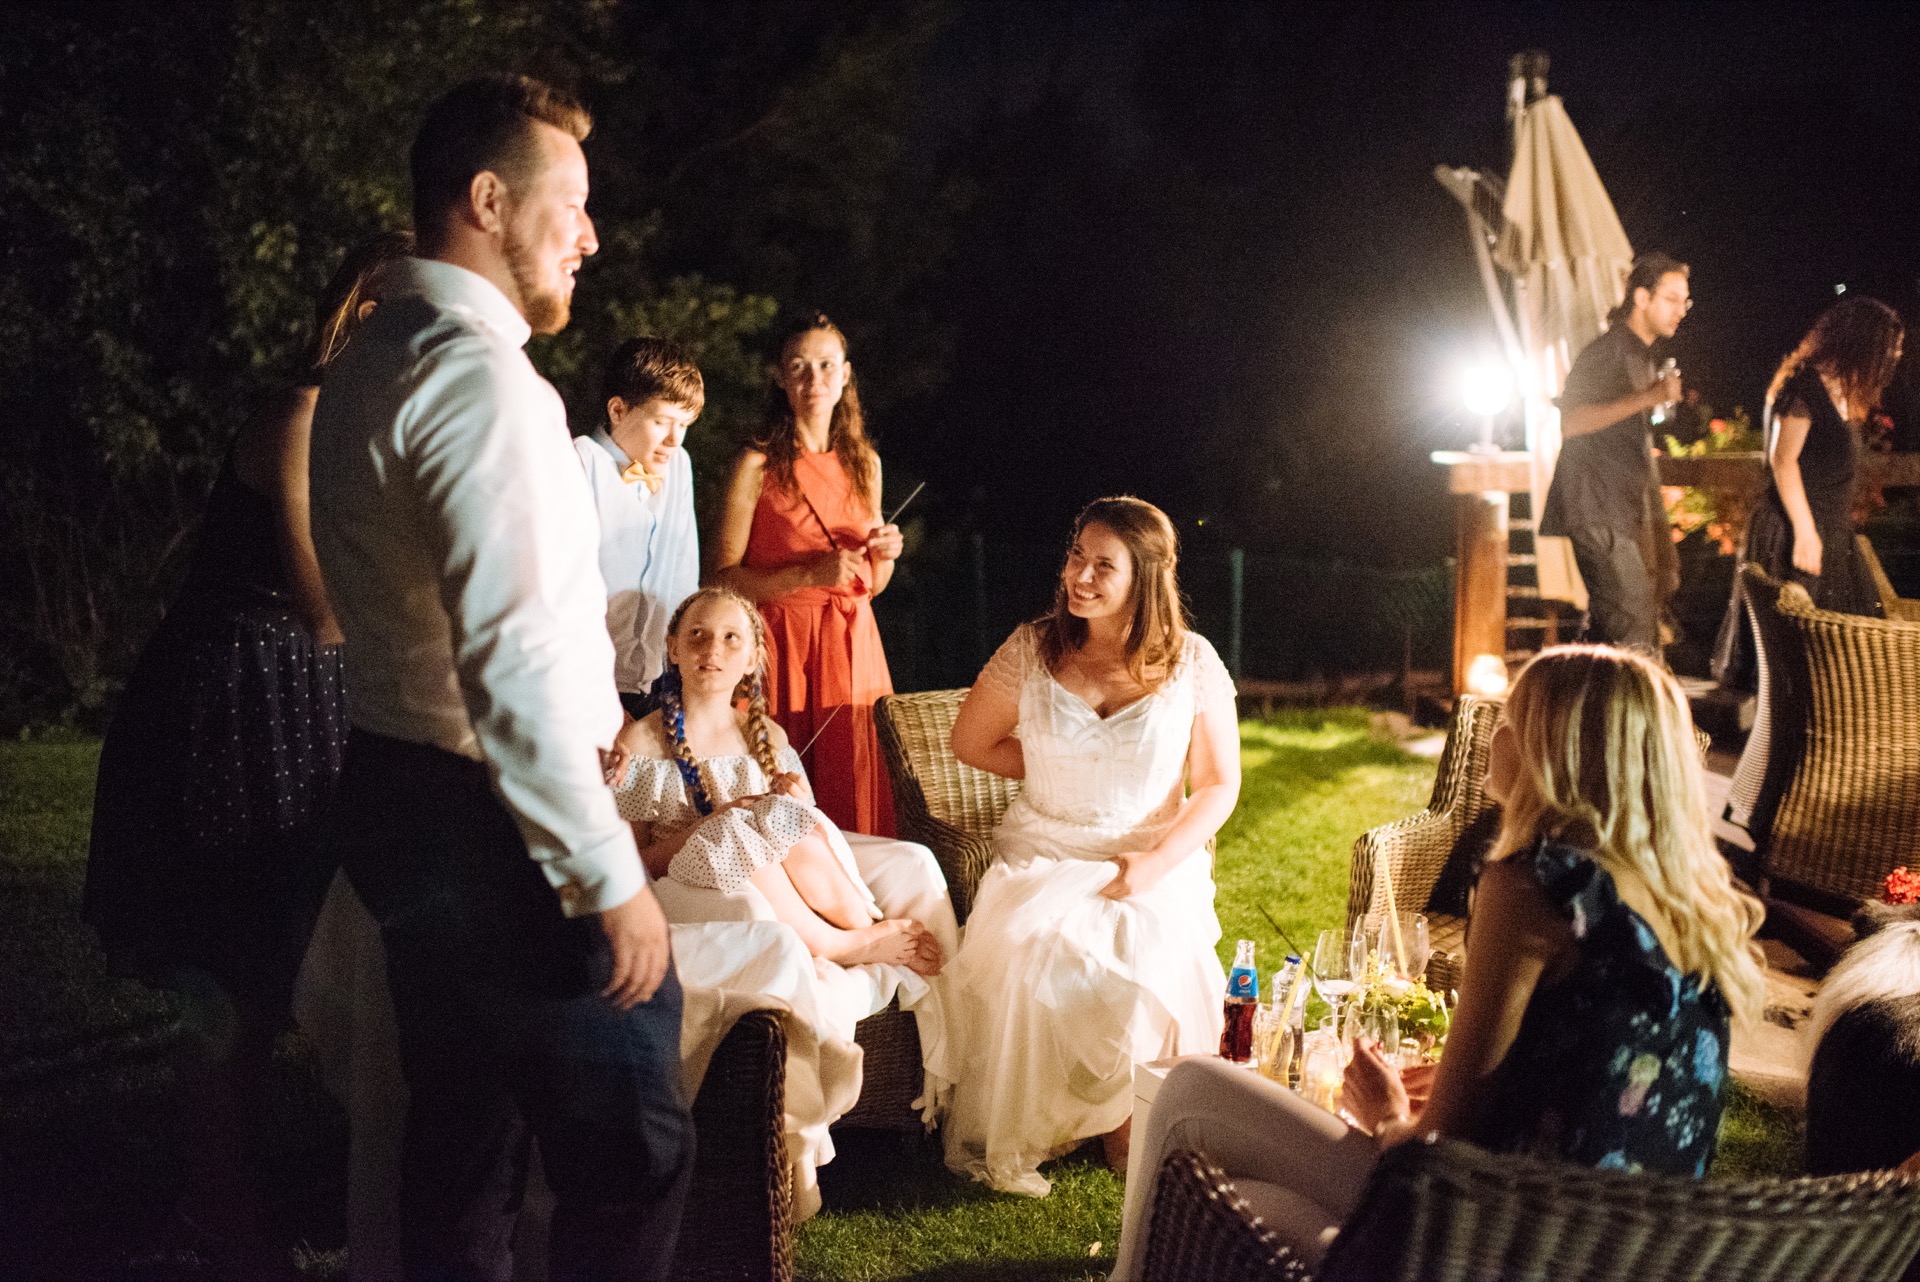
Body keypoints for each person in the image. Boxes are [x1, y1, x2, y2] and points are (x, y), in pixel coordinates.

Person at [308, 75, 690, 1280]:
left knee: (465, 1138)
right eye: (569, 202)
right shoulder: (481, 382)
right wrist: (607, 877)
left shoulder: (373, 356)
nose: (591, 235)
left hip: (402, 795)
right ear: (487, 201)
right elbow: (512, 664)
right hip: (496, 833)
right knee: (632, 1155)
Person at [1111, 645, 1767, 1277]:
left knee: (1194, 1092)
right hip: (1615, 1254)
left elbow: (1439, 1149)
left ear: (1558, 753)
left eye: (1511, 719)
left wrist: (1387, 1114)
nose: (1494, 736)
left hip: (1494, 1243)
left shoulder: (1537, 883)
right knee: (1260, 1200)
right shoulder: (1694, 913)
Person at [81, 229, 409, 1274]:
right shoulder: (302, 416)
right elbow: (323, 606)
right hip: (235, 698)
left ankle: (249, 1189)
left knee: (287, 962)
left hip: (306, 695)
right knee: (232, 965)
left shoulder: (365, 427)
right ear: (362, 315)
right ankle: (215, 1210)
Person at [927, 496, 1242, 1197]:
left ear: (1146, 577)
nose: (1080, 576)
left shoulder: (1192, 661)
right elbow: (970, 742)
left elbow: (1220, 784)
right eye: (1077, 556)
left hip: (1153, 854)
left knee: (1152, 954)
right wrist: (1058, 764)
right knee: (1035, 948)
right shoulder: (1033, 649)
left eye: (1104, 565)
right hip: (1045, 851)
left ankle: (1128, 1121)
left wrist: (1156, 863)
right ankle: (1056, 1115)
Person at [611, 586, 943, 974]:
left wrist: (798, 802)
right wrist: (712, 823)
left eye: (730, 637)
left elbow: (802, 835)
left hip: (775, 873)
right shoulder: (641, 743)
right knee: (734, 827)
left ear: (753, 658)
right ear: (673, 648)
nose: (713, 648)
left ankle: (862, 923)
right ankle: (839, 944)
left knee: (790, 816)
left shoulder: (768, 736)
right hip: (689, 878)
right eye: (697, 634)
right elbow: (634, 865)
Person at [712, 313, 902, 836]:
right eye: (798, 367)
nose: (813, 379)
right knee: (780, 788)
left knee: (854, 786)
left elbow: (870, 586)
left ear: (845, 375)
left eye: (825, 366)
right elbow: (721, 579)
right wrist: (805, 574)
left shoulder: (865, 464)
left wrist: (885, 555)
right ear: (780, 377)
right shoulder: (757, 464)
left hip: (853, 646)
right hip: (783, 645)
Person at [1712, 297, 1904, 689]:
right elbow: (1783, 460)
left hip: (1829, 531)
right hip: (1795, 531)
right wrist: (1804, 531)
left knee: (1847, 655)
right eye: (1889, 347)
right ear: (1862, 342)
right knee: (1797, 659)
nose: (1895, 356)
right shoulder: (1804, 388)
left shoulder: (1840, 392)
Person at [1540, 253, 1692, 652]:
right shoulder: (1607, 352)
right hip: (1595, 506)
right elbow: (1572, 422)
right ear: (1642, 298)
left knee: (1611, 630)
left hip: (1618, 508)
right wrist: (1648, 397)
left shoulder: (1640, 355)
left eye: (1685, 302)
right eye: (1672, 299)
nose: (1681, 310)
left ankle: (1573, 689)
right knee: (1633, 627)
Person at [574, 336, 703, 721]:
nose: (674, 440)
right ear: (618, 410)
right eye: (661, 421)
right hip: (589, 683)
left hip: (657, 683)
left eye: (684, 424)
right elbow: (569, 592)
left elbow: (683, 577)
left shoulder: (678, 465)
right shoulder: (581, 462)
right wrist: (599, 701)